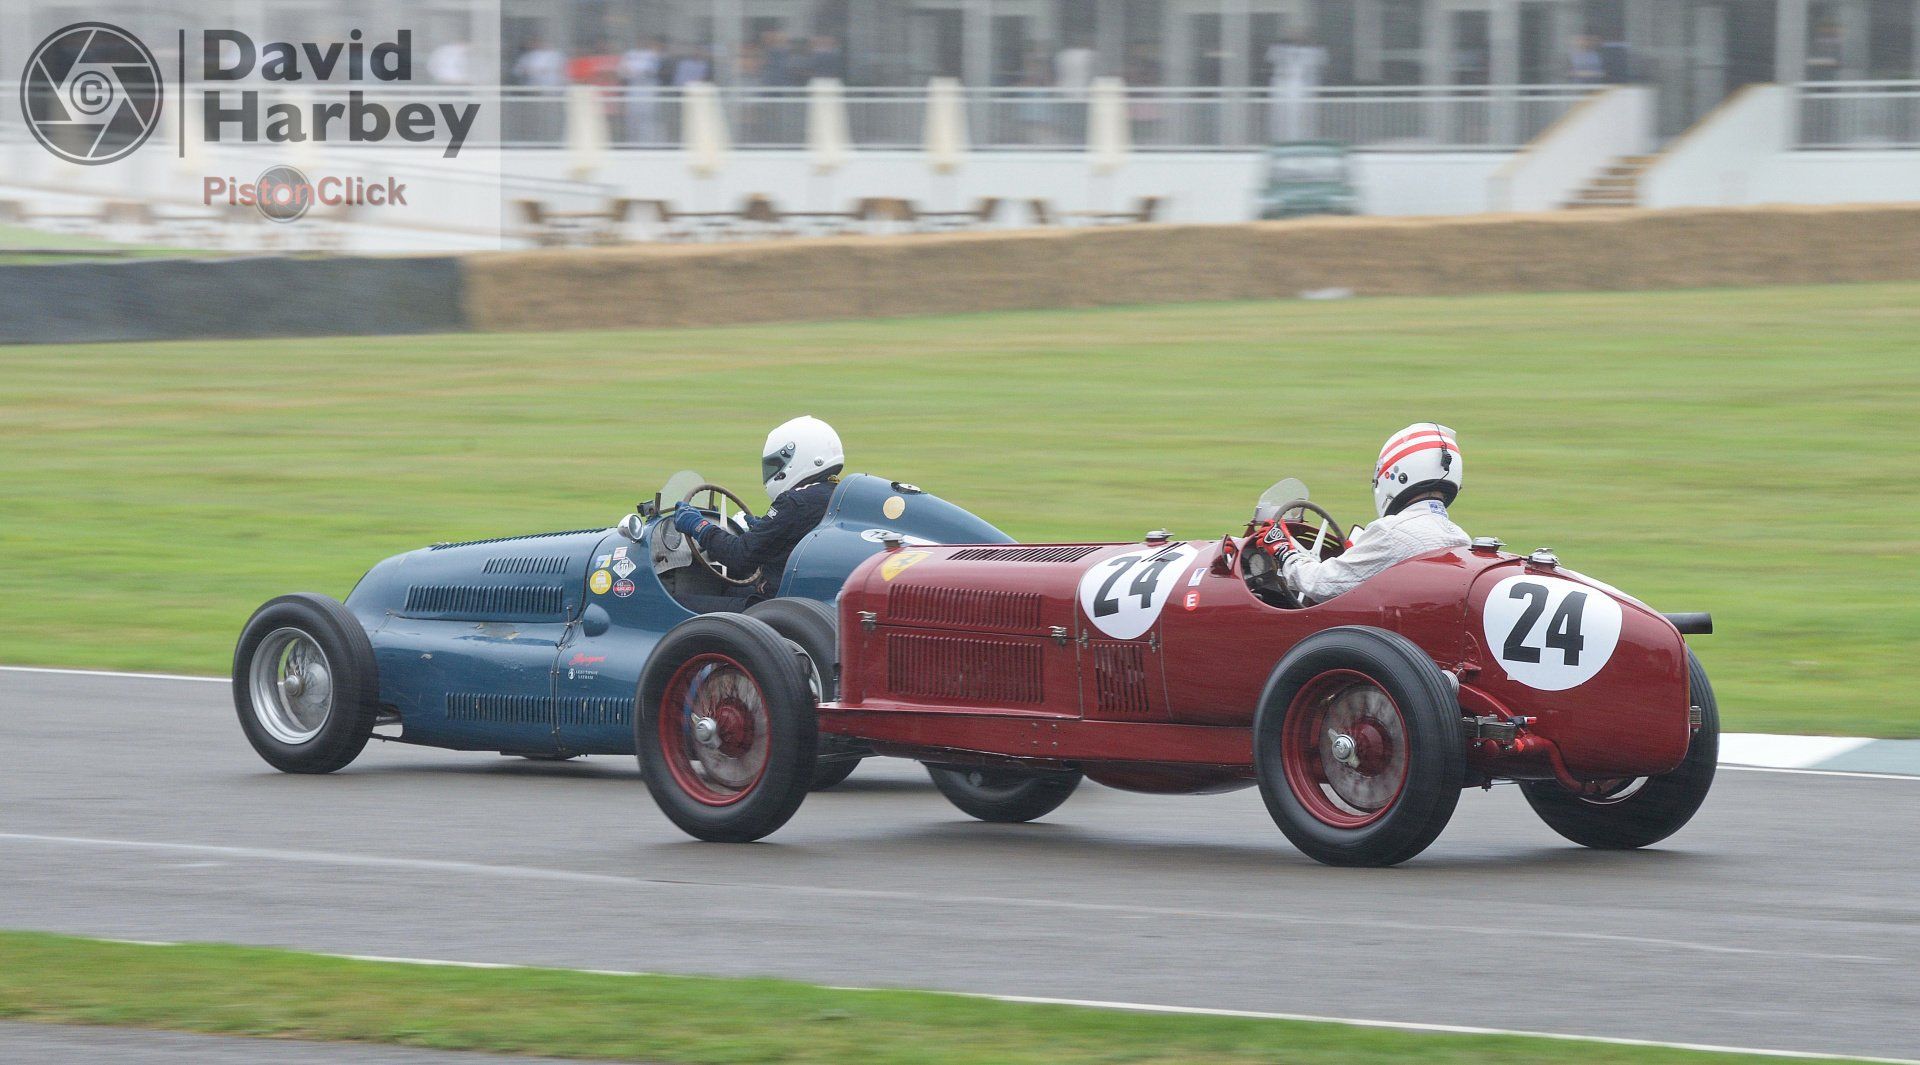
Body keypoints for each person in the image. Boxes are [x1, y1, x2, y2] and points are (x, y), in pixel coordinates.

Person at [1271, 423, 1470, 604]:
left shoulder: (1391, 532)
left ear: (1399, 474)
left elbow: (1322, 584)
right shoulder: (1461, 539)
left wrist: (1284, 553)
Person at [672, 416, 843, 595]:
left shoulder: (795, 502)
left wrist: (698, 526)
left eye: (777, 464)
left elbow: (738, 556)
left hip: (772, 604)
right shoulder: (836, 494)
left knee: (684, 599)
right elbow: (791, 535)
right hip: (801, 599)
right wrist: (764, 528)